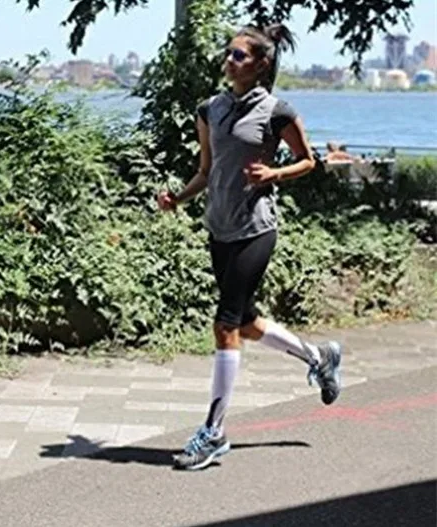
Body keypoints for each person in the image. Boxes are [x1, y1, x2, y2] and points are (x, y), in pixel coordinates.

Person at [157, 24, 342, 471]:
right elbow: (206, 171)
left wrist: (274, 174)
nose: (229, 60)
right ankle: (318, 357)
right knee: (246, 320)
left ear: (261, 64)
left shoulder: (276, 112)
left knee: (225, 326)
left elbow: (308, 161)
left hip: (256, 230)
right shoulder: (210, 109)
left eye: (239, 55)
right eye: (229, 53)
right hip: (219, 228)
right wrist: (177, 198)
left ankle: (213, 432)